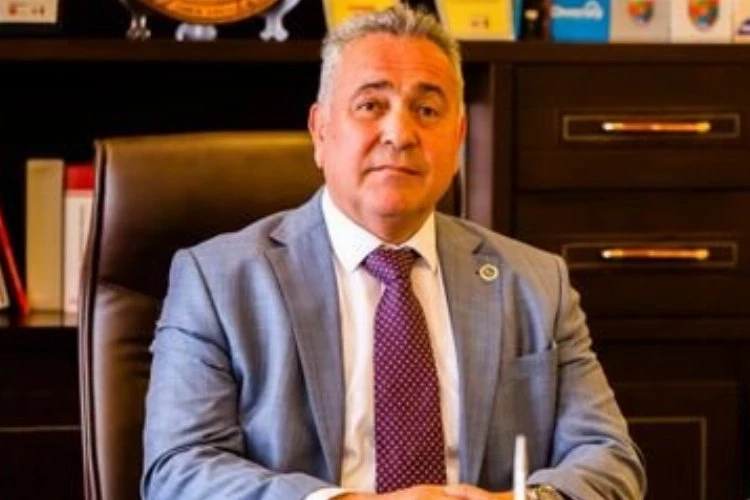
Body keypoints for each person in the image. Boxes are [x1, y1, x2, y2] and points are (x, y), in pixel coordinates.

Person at [141, 4, 646, 500]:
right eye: (371, 106)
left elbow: (610, 459)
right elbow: (178, 470)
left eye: (427, 110)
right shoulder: (217, 281)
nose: (401, 134)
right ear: (320, 131)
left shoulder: (536, 283)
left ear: (459, 138)